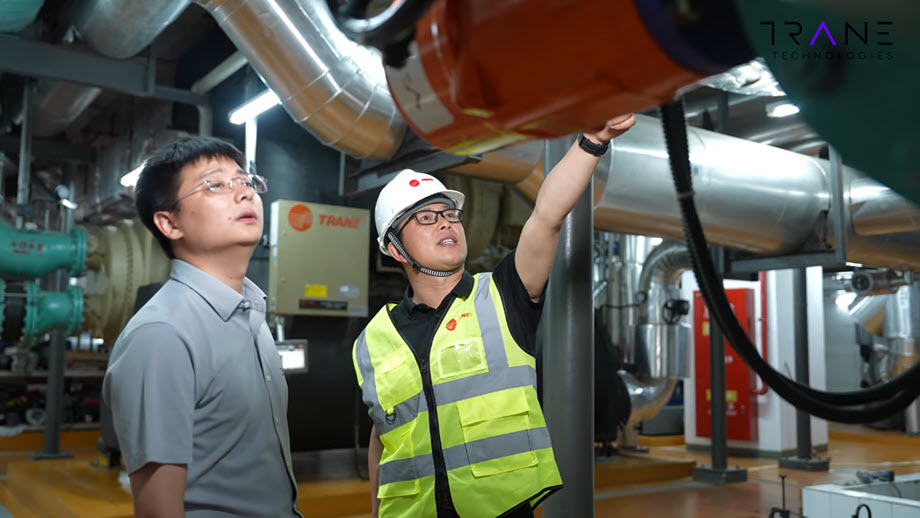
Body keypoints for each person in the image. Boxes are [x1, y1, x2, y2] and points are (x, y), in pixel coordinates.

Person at [353, 114, 637, 518]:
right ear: (395, 248)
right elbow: (382, 436)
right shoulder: (372, 339)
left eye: (449, 214)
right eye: (426, 217)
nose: (446, 222)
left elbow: (546, 218)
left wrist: (592, 141)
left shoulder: (501, 297)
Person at [103, 136, 301, 517]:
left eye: (246, 182)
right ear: (169, 222)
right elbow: (159, 510)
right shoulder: (161, 337)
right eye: (215, 185)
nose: (244, 194)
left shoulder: (252, 318)